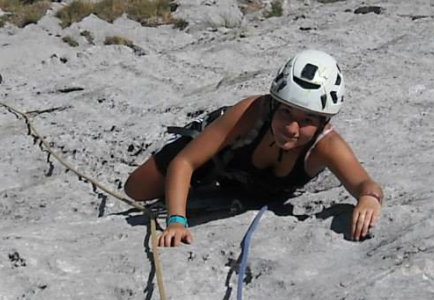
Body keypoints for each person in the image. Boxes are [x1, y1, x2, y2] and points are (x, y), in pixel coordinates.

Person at [124, 48, 384, 246]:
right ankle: (200, 147)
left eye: (306, 120)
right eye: (286, 113)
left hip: (244, 184)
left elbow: (364, 183)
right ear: (273, 105)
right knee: (137, 188)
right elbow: (185, 162)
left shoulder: (326, 145)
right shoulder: (251, 112)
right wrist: (176, 221)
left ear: (322, 122)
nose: (292, 127)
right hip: (215, 160)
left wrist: (369, 200)